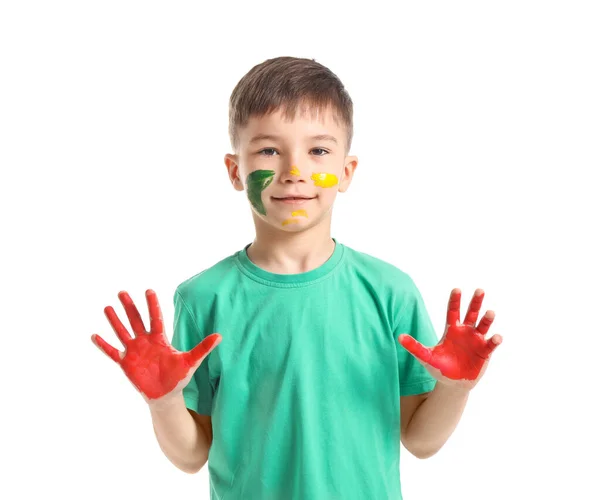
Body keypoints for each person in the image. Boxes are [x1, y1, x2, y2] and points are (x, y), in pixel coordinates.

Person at [91, 56, 503, 499]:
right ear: (235, 170)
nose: (294, 170)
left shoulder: (390, 292)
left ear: (346, 172)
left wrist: (455, 390)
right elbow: (191, 455)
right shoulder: (203, 298)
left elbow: (420, 441)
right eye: (269, 150)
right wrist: (164, 402)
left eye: (318, 150)